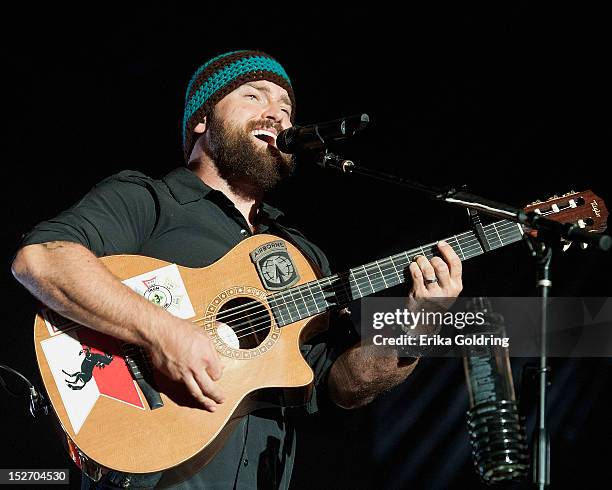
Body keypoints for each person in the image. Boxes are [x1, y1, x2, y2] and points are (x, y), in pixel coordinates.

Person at [11, 50, 463, 489]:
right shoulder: (150, 199)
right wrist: (163, 332)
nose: (278, 116)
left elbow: (342, 386)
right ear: (201, 121)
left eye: (286, 108)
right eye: (254, 96)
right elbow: (43, 260)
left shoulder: (301, 256)